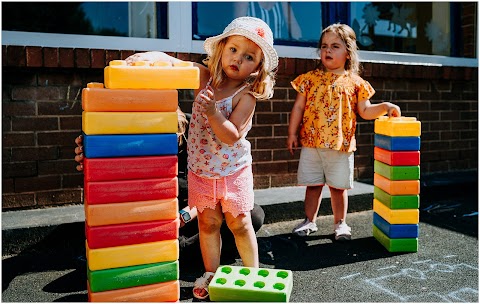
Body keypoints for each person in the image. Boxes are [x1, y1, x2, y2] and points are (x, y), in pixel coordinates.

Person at [78, 16, 278, 300]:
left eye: (249, 57)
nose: (238, 59)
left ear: (257, 68)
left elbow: (232, 134)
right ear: (221, 49)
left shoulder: (246, 94)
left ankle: (254, 275)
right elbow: (175, 65)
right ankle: (211, 273)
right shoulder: (205, 77)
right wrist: (150, 58)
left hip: (232, 172)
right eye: (233, 50)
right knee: (208, 224)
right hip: (201, 170)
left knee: (240, 222)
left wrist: (212, 112)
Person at [74, 109, 265, 257]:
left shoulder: (196, 128)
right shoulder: (132, 139)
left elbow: (219, 183)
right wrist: (94, 157)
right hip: (156, 220)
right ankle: (177, 251)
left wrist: (184, 216)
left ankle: (181, 250)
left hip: (198, 211)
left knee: (252, 215)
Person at [287, 23, 401, 241]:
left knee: (338, 188)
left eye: (335, 46)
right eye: (324, 46)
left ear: (348, 53)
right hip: (311, 143)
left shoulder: (356, 83)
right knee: (313, 186)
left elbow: (365, 111)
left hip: (341, 145)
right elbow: (299, 108)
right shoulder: (309, 79)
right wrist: (292, 133)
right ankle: (309, 220)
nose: (328, 51)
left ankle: (340, 223)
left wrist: (385, 106)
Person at [233, 2, 302, 40]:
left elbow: (296, 32)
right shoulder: (243, 3)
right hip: (253, 54)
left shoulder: (282, 3)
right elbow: (237, 30)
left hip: (278, 53)